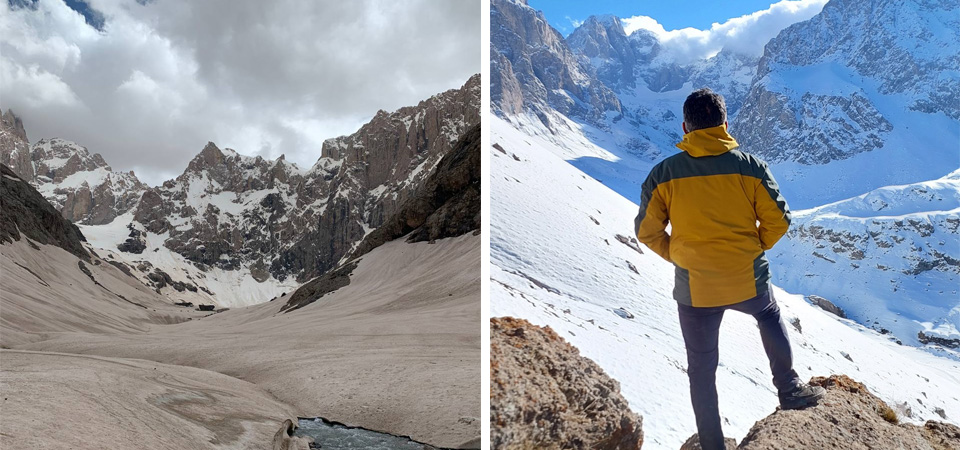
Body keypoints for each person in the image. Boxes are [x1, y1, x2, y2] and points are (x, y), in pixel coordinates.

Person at [633, 88, 824, 449]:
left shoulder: (664, 173)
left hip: (695, 288)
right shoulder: (749, 166)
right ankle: (790, 389)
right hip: (747, 277)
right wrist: (754, 248)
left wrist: (679, 255)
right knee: (768, 315)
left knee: (702, 369)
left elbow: (647, 231)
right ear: (725, 123)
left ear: (686, 126)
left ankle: (712, 443)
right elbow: (779, 220)